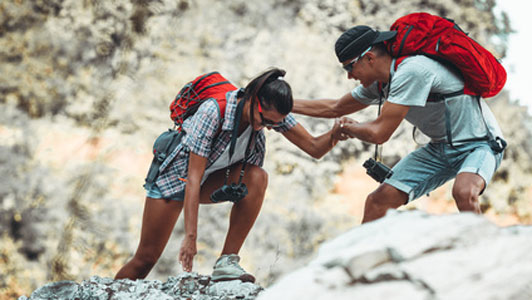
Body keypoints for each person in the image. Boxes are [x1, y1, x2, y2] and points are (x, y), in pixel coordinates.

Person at [115, 68, 343, 282]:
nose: (269, 128)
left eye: (275, 124)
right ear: (253, 99)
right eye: (265, 121)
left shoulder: (271, 114)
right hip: (176, 180)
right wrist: (190, 238)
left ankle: (227, 261)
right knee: (145, 259)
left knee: (258, 178)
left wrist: (337, 133)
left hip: (211, 179)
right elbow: (192, 179)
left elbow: (314, 148)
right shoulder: (214, 111)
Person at [293, 25, 505, 223]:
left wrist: (349, 128)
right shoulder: (381, 82)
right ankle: (368, 260)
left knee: (464, 192)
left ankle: (484, 256)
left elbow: (379, 133)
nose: (349, 76)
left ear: (369, 58)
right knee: (378, 201)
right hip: (439, 148)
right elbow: (335, 108)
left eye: (350, 67)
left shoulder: (413, 72)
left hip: (480, 144)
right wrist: (284, 105)